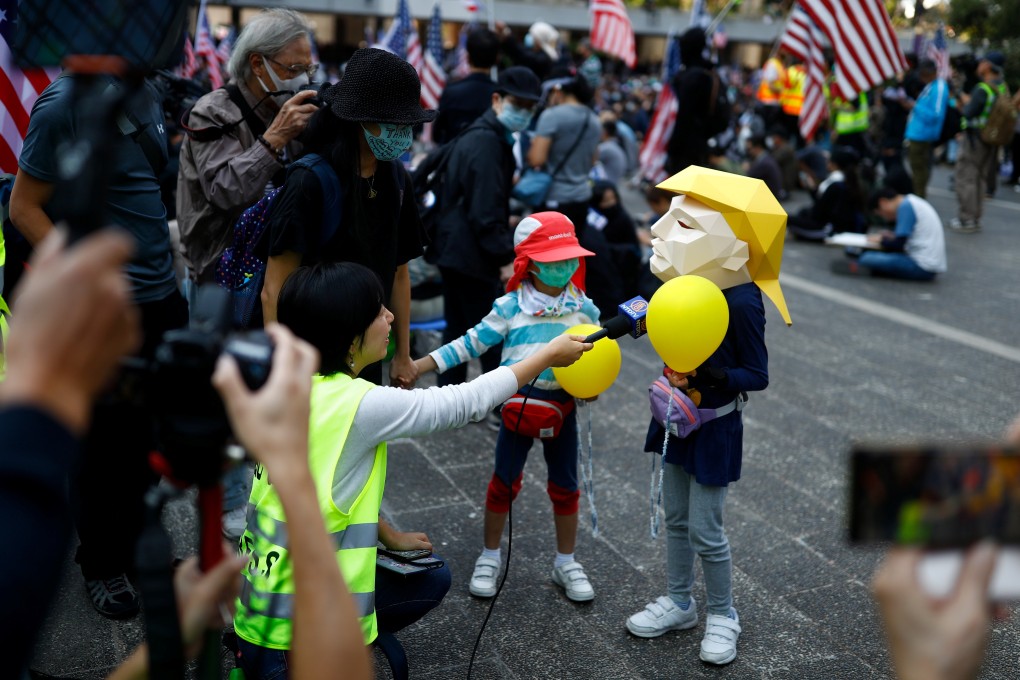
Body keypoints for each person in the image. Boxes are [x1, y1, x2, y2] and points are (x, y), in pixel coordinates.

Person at [233, 260, 591, 678]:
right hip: (299, 634)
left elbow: (315, 485)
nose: (390, 317)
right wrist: (547, 354)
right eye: (378, 311)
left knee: (430, 574)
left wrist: (387, 534)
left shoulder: (284, 386)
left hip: (258, 607)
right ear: (349, 338)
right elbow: (464, 402)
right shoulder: (358, 404)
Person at [10, 71, 189, 618]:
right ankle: (101, 563)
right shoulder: (65, 104)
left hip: (162, 299)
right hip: (108, 306)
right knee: (102, 446)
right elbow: (23, 207)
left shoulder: (148, 91)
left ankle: (137, 545)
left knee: (149, 435)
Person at [629, 167, 791, 666]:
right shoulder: (679, 281)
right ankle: (680, 602)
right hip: (673, 419)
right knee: (675, 517)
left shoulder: (742, 299)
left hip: (716, 424)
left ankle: (724, 614)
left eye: (686, 226)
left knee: (706, 526)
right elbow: (645, 313)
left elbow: (757, 374)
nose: (661, 230)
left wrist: (713, 374)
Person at [416, 212, 601, 603]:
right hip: (517, 409)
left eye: (570, 258)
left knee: (566, 487)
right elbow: (470, 343)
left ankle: (565, 560)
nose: (564, 266)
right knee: (503, 482)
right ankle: (489, 554)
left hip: (563, 412)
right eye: (554, 260)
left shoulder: (584, 307)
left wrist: (593, 387)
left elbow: (599, 356)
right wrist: (420, 365)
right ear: (529, 263)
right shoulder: (510, 306)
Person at [260, 47, 432, 389]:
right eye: (393, 122)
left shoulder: (397, 180)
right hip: (312, 357)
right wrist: (283, 364)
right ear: (358, 119)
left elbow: (398, 273)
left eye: (407, 123)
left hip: (367, 354)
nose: (402, 131)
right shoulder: (310, 180)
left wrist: (402, 352)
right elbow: (274, 287)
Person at [177, 8, 320, 285]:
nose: (303, 80)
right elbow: (225, 192)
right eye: (293, 69)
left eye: (308, 69)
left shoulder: (291, 109)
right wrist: (275, 138)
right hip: (221, 273)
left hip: (280, 269)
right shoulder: (213, 112)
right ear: (257, 64)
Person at [430, 66, 542, 394]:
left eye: (529, 107)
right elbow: (484, 211)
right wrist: (504, 256)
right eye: (517, 104)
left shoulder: (484, 134)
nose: (522, 113)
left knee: (459, 328)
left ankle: (448, 394)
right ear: (497, 99)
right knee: (489, 331)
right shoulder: (487, 142)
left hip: (456, 246)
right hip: (471, 252)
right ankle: (496, 399)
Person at [527, 75, 621, 316]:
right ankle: (570, 307)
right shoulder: (594, 120)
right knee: (568, 260)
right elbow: (592, 160)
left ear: (559, 90)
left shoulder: (552, 116)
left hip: (554, 198)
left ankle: (542, 310)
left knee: (544, 262)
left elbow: (537, 158)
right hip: (580, 197)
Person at [951, 51, 1008, 233]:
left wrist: (962, 102)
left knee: (966, 177)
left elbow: (969, 112)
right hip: (990, 139)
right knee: (979, 178)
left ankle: (966, 219)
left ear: (988, 66)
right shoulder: (1002, 87)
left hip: (975, 139)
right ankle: (975, 218)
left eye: (982, 62)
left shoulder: (983, 88)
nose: (979, 65)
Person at [837, 186, 946, 281]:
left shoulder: (905, 207)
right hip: (930, 265)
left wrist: (882, 240)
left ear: (883, 202)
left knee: (867, 257)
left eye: (880, 213)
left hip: (921, 266)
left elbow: (898, 244)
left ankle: (867, 267)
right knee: (874, 257)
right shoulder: (911, 201)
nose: (884, 217)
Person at [433, 27, 500, 145]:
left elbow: (436, 134)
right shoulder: (500, 96)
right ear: (496, 59)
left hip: (453, 158)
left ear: (467, 57)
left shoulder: (451, 92)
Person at [666, 28, 718, 175]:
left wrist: (672, 149)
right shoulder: (708, 73)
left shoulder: (694, 77)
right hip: (699, 147)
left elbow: (683, 117)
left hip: (685, 151)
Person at [787, 146, 866, 241]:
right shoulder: (850, 181)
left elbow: (819, 211)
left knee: (787, 219)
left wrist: (813, 190)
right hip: (832, 225)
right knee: (802, 213)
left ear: (835, 164)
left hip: (827, 229)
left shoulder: (836, 183)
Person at [905, 60, 950, 200]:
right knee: (917, 168)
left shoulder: (939, 87)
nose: (922, 78)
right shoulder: (932, 85)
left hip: (923, 134)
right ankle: (918, 195)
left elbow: (936, 114)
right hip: (918, 133)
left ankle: (919, 197)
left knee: (919, 169)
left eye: (924, 74)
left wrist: (914, 106)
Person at [495, 20, 561, 81]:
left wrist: (507, 34)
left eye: (533, 36)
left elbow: (521, 54)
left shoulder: (544, 59)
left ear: (539, 39)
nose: (530, 38)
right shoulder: (536, 53)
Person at [744, 135, 785, 200]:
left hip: (769, 200)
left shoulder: (764, 163)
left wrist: (746, 168)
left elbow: (745, 177)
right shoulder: (765, 158)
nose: (748, 152)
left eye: (749, 149)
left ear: (758, 147)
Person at [597, 119, 629, 186]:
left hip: (606, 184)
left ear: (605, 132)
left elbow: (588, 159)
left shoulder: (607, 147)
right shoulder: (615, 145)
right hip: (614, 182)